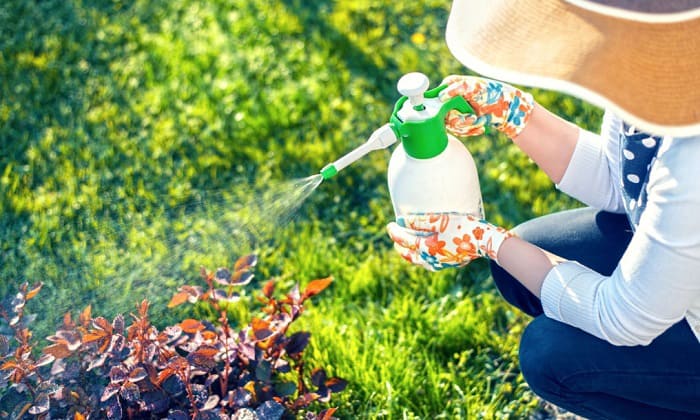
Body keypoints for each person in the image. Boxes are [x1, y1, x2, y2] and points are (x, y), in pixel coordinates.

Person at [386, 0, 700, 418]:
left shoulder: (692, 155)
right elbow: (621, 180)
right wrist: (516, 113)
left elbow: (625, 318)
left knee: (550, 356)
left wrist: (486, 239)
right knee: (529, 256)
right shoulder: (661, 70)